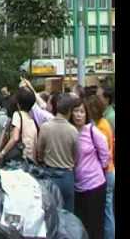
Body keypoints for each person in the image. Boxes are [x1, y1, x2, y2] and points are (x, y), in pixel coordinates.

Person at [70, 98, 109, 239]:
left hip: (95, 185)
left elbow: (105, 155)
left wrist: (99, 168)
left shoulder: (92, 131)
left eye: (82, 111)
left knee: (95, 225)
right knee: (81, 224)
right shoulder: (70, 131)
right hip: (77, 186)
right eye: (75, 111)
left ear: (86, 114)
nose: (78, 115)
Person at [37, 94, 79, 212]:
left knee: (52, 213)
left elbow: (39, 152)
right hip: (67, 177)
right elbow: (76, 157)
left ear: (57, 108)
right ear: (70, 111)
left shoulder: (45, 127)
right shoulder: (73, 131)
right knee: (69, 214)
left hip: (50, 176)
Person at [84, 95, 115, 239]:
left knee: (106, 212)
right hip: (108, 170)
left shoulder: (101, 126)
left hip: (106, 172)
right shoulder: (102, 123)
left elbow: (103, 153)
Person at [0, 87, 38, 164]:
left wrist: (2, 153)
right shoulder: (32, 120)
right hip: (30, 160)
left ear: (18, 104)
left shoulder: (17, 115)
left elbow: (15, 138)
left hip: (20, 160)